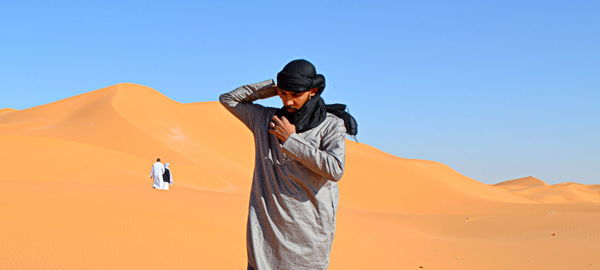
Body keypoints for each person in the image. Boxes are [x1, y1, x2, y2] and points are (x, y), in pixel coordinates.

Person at [219, 59, 357, 270]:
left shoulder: (331, 124)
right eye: (283, 94)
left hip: (308, 230)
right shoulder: (265, 119)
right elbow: (228, 99)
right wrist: (271, 89)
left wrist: (291, 140)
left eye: (295, 95)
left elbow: (335, 169)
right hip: (267, 230)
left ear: (313, 91)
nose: (288, 101)